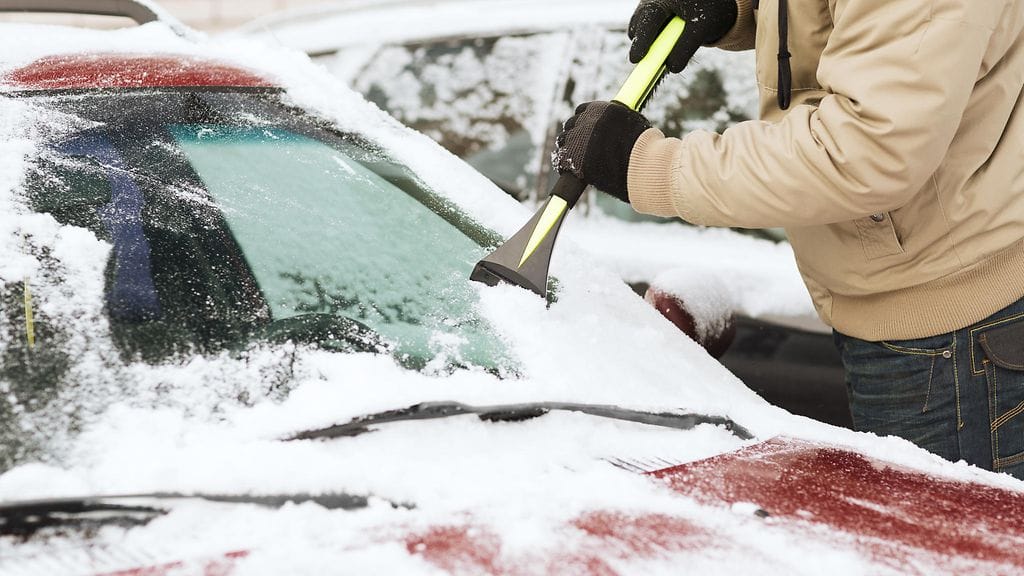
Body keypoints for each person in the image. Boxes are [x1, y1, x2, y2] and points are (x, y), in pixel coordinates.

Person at [553, 0, 1024, 479]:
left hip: (951, 336)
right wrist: (739, 9)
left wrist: (650, 165)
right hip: (910, 308)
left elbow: (864, 151)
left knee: (938, 526)